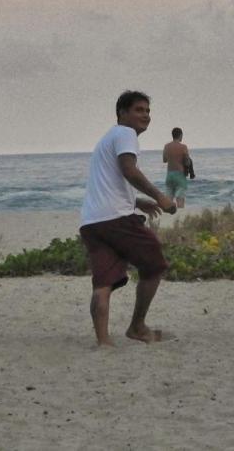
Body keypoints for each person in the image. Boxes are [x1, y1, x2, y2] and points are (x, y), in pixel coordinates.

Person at [79, 90, 177, 347]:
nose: (145, 116)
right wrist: (160, 197)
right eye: (139, 110)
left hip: (91, 222)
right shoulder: (125, 134)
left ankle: (103, 342)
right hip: (116, 220)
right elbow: (129, 170)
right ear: (122, 113)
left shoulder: (106, 139)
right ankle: (137, 327)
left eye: (147, 111)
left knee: (102, 283)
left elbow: (107, 184)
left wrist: (137, 201)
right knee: (154, 264)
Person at [161, 127, 192, 210]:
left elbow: (164, 160)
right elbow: (187, 162)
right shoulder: (183, 147)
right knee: (180, 200)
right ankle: (179, 216)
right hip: (179, 175)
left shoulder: (166, 146)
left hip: (169, 175)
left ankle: (168, 215)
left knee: (168, 198)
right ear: (180, 135)